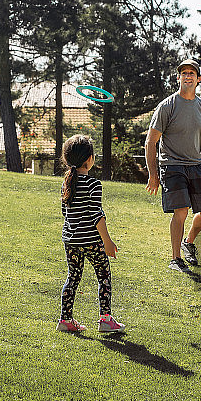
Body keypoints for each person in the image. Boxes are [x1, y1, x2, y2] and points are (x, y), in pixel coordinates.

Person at [145, 59, 201, 273]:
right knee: (181, 210)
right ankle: (176, 258)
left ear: (198, 79)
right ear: (178, 78)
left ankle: (189, 242)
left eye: (192, 73)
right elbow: (151, 141)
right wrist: (153, 174)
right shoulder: (167, 106)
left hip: (196, 164)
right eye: (184, 73)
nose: (188, 76)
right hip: (172, 165)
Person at [57, 135, 125, 333]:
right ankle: (105, 320)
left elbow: (65, 212)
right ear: (90, 159)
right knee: (103, 276)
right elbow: (97, 215)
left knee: (73, 277)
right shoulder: (93, 185)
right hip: (92, 242)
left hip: (70, 241)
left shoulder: (66, 184)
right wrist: (107, 241)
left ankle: (65, 320)